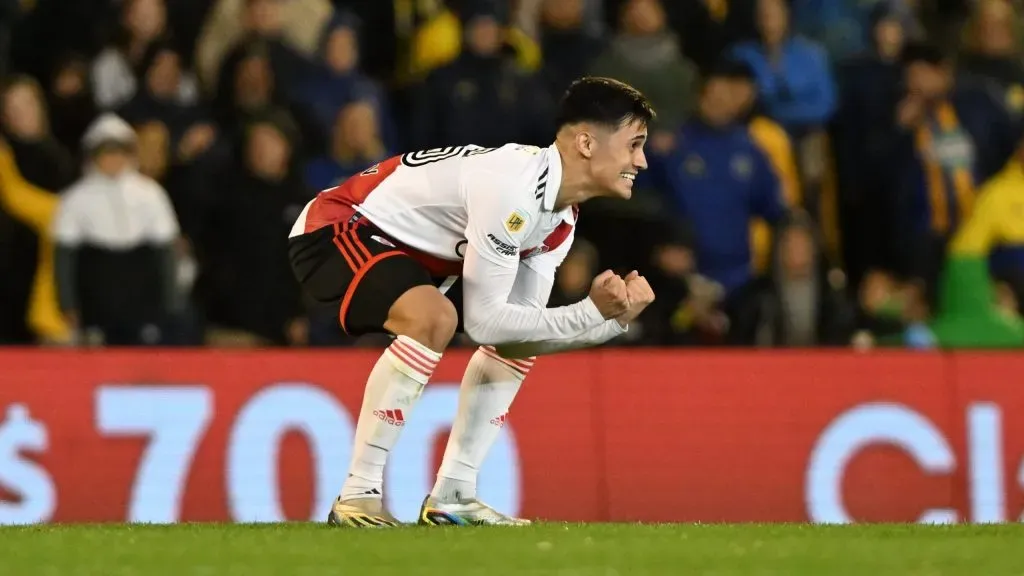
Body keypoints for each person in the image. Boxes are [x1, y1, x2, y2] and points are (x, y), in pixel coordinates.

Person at [287, 77, 656, 527]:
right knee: (434, 318)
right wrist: (588, 312)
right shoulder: (512, 188)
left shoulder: (560, 221)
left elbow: (519, 335)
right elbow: (484, 322)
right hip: (338, 226)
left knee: (511, 344)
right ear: (586, 143)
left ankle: (454, 495)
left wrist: (611, 322)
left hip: (413, 255)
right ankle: (357, 495)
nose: (642, 161)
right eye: (634, 144)